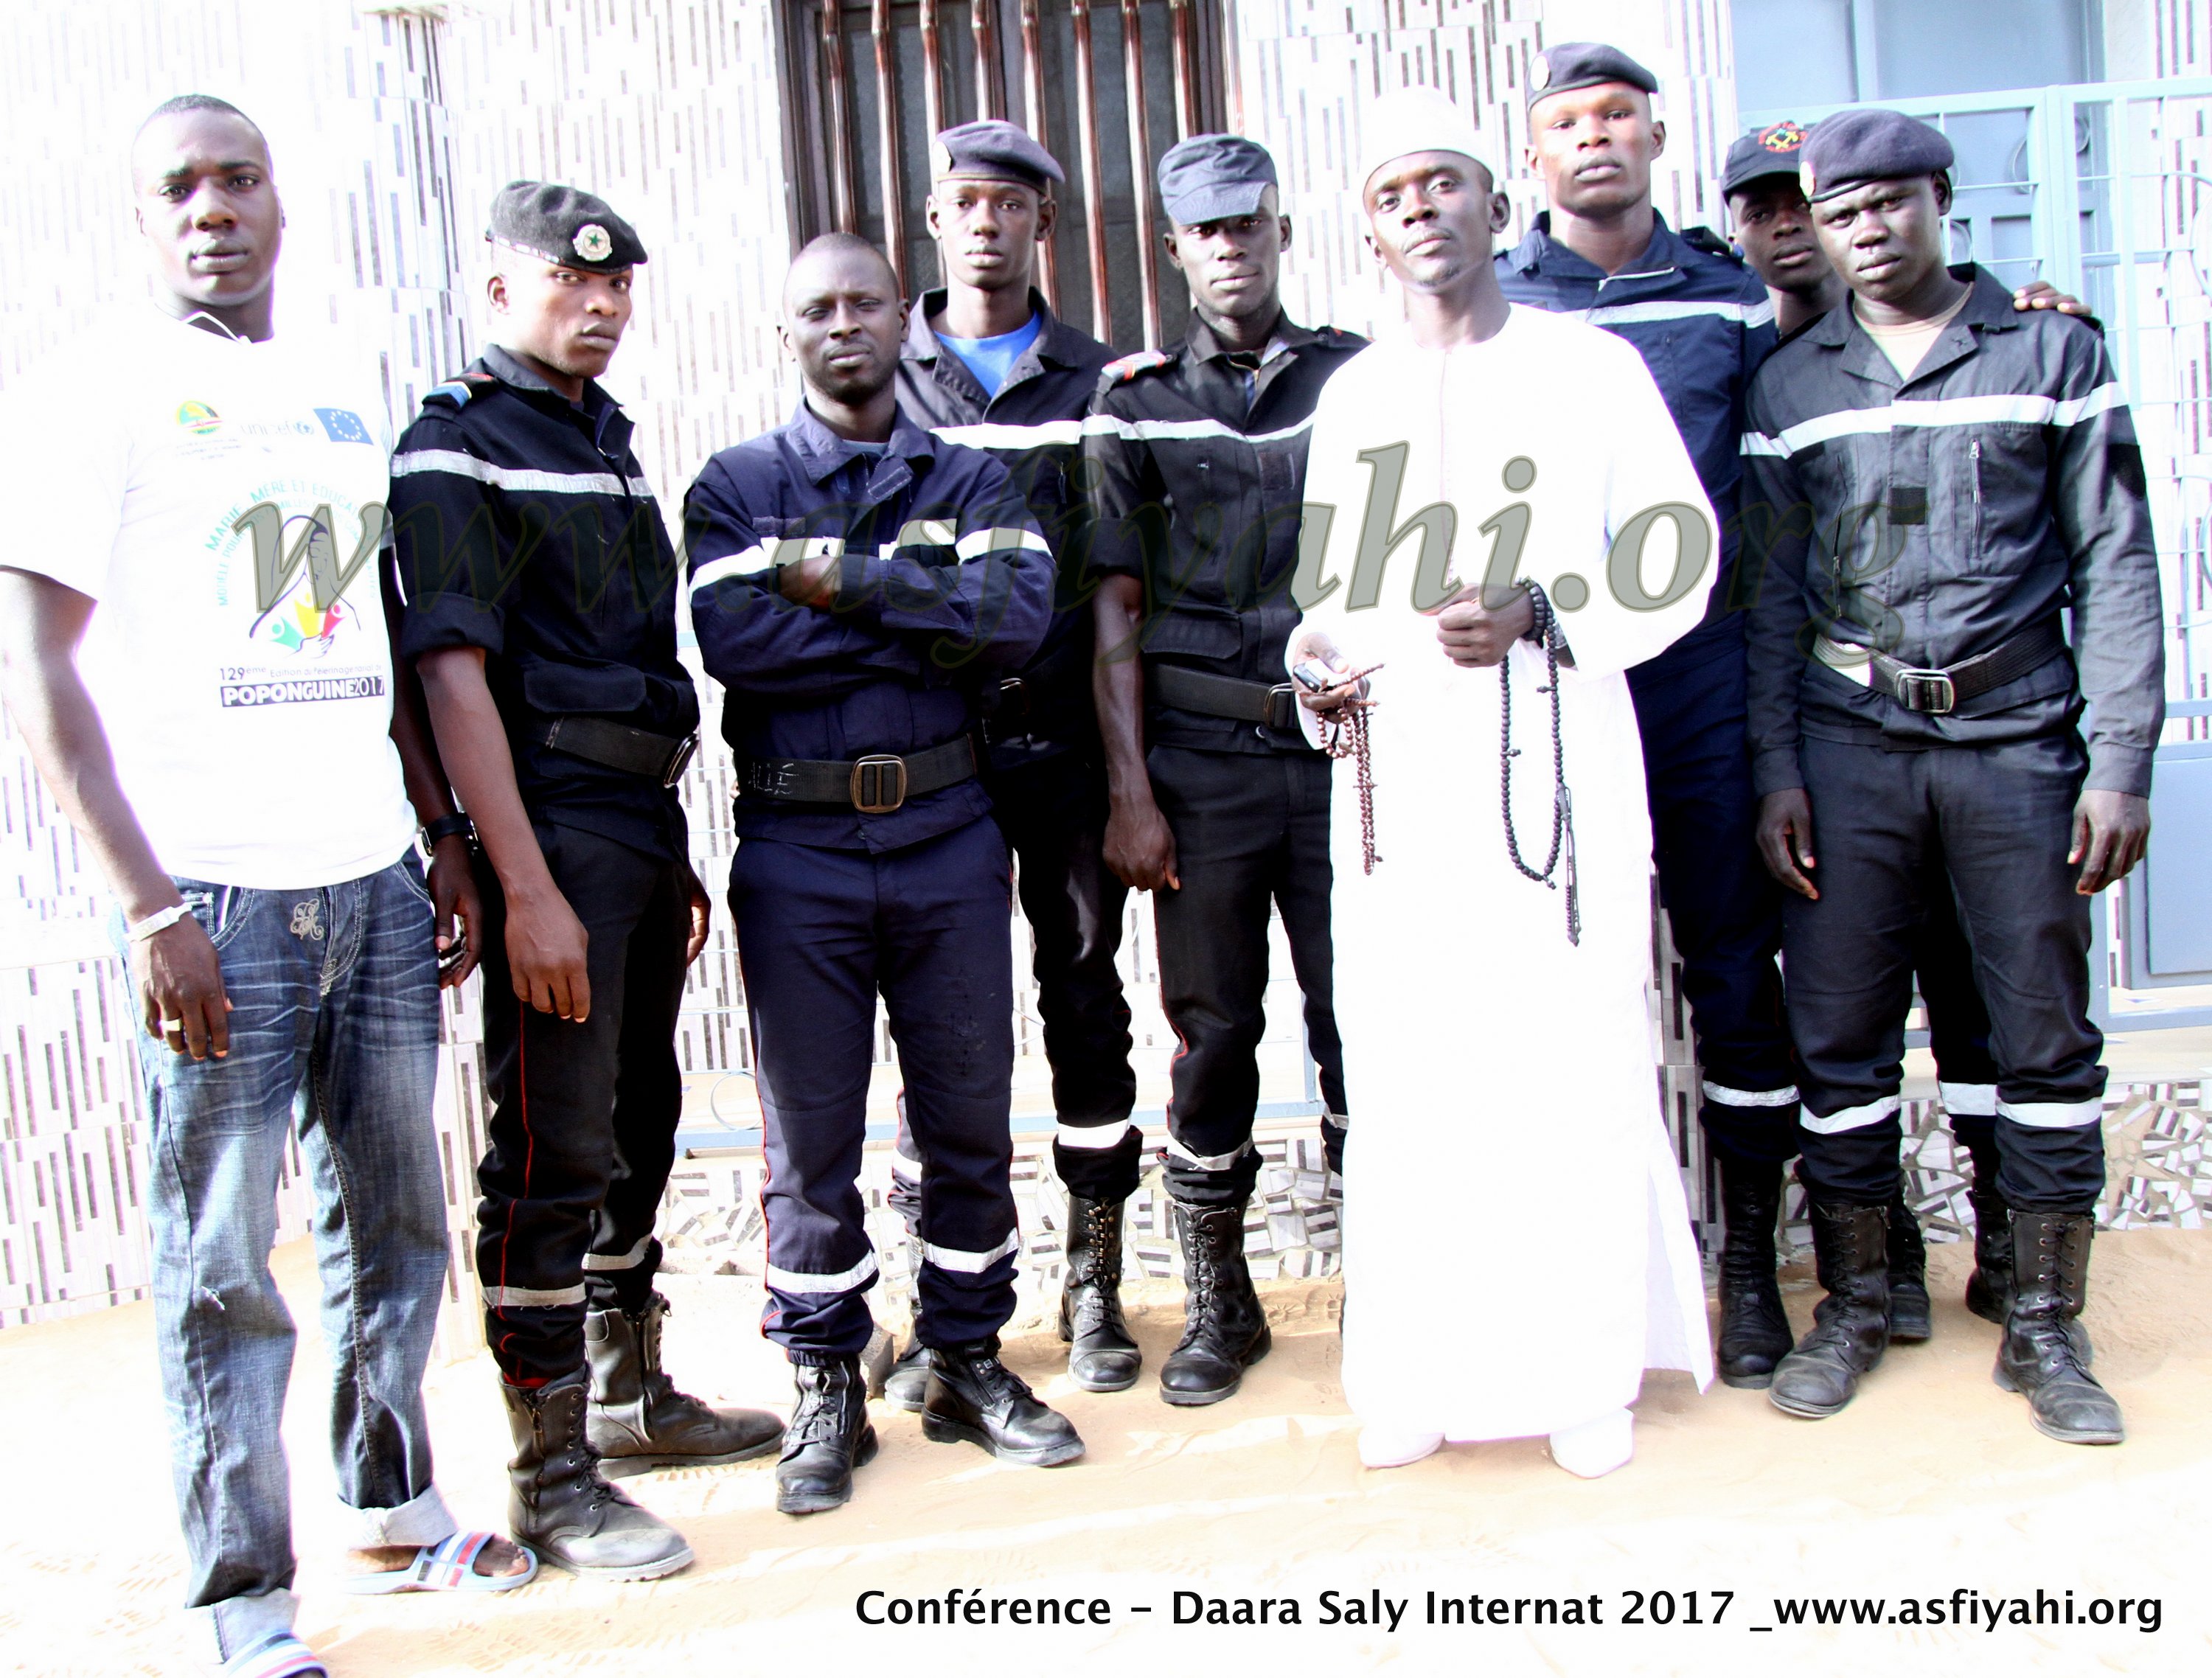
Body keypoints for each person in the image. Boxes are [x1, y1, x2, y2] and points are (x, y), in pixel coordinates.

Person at [0, 96, 529, 1678]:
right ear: (145, 218)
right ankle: (242, 1596)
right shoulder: (92, 388)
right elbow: (39, 671)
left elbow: (358, 639)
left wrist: (431, 835)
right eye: (178, 186)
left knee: (398, 1223)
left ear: (280, 203)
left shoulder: (329, 392)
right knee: (224, 1258)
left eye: (237, 178)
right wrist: (151, 906)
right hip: (213, 897)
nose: (211, 206)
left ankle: (394, 1500)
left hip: (363, 872)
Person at [1293, 87, 1717, 1479]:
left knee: (1564, 1064)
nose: (1423, 209)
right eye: (1395, 191)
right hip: (1400, 801)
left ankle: (1583, 1377)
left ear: (1495, 203)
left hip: (1557, 779)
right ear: (1371, 226)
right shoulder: (1352, 397)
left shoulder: (1590, 370)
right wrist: (1318, 666)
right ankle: (1417, 1376)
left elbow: (1679, 551)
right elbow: (1332, 606)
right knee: (1415, 1076)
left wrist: (1546, 609)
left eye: (1447, 184)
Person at [1742, 110, 2163, 1444]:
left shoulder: (2053, 349)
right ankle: (1859, 1303)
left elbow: (2118, 566)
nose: (1866, 230)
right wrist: (1775, 769)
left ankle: (2042, 1323)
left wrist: (2124, 761)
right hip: (1849, 743)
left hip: (2016, 743)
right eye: (1840, 210)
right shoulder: (1791, 383)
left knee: (2039, 1033)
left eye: (1889, 202)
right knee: (1840, 1037)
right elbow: (1769, 599)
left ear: (1941, 198)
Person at [394, 181, 781, 1582]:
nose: (602, 302)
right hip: (547, 832)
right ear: (498, 290)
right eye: (571, 281)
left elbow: (635, 666)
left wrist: (668, 854)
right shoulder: (454, 450)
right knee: (550, 1151)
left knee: (637, 1122)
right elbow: (451, 676)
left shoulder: (604, 444)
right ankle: (550, 1472)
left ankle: (627, 1399)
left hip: (632, 825)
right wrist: (524, 886)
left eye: (618, 285)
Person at [683, 233, 1078, 1517]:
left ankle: (964, 1358)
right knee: (811, 1135)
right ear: (786, 331)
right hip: (797, 850)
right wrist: (922, 611)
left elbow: (1013, 622)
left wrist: (839, 580)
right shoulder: (735, 484)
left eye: (863, 303)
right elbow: (739, 640)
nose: (843, 324)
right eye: (817, 309)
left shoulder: (971, 473)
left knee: (968, 1111)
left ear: (900, 323)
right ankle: (825, 1380)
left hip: (951, 833)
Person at [1084, 134, 1366, 1407]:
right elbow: (1115, 610)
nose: (1231, 247)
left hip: (1346, 753)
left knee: (1366, 1023)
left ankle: (1396, 1288)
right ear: (1175, 247)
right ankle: (1222, 1305)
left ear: (1281, 229)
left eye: (1249, 223)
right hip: (1200, 762)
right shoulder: (1134, 403)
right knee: (1213, 1033)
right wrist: (1131, 792)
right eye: (1206, 230)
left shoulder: (1363, 377)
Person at [888, 120, 1137, 1399]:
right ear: (933, 219)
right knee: (941, 1029)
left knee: (1085, 1004)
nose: (986, 223)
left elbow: (1113, 590)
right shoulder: (887, 369)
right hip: (927, 762)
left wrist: (1130, 780)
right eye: (963, 202)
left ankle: (1093, 1284)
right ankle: (943, 1294)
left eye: (1010, 204)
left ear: (1045, 223)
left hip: (1061, 758)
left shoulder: (1098, 381)